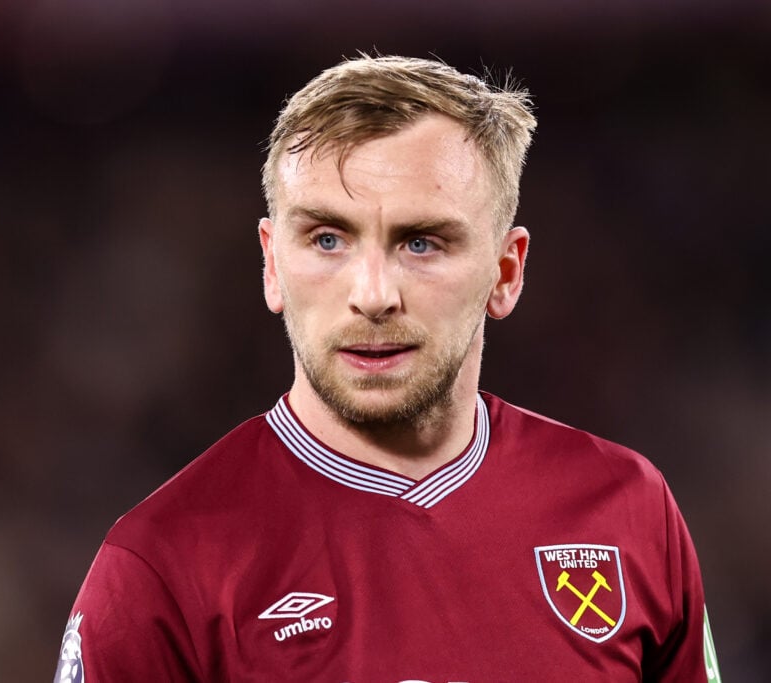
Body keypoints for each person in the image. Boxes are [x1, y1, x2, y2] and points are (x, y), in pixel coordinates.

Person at [54, 54, 722, 682]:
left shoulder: (629, 509)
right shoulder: (157, 569)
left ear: (505, 271)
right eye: (326, 238)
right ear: (271, 262)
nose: (373, 294)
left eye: (421, 242)